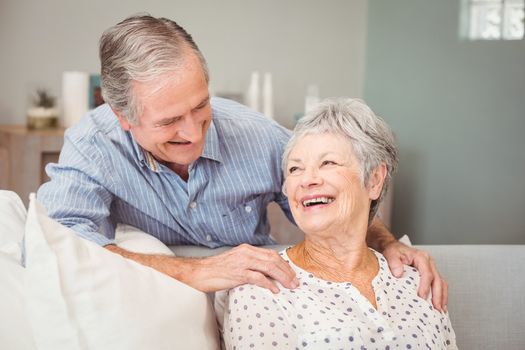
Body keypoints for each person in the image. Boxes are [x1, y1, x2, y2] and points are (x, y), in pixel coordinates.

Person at [37, 15, 446, 308]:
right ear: (122, 117)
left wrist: (387, 243)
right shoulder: (92, 146)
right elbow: (59, 245)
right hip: (157, 301)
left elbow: (332, 202)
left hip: (259, 294)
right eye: (169, 122)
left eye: (200, 106)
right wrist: (194, 271)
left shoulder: (255, 134)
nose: (194, 133)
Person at [220, 98, 457, 349]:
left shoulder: (417, 281)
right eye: (295, 169)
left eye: (328, 163)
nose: (307, 180)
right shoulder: (261, 289)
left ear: (374, 180)